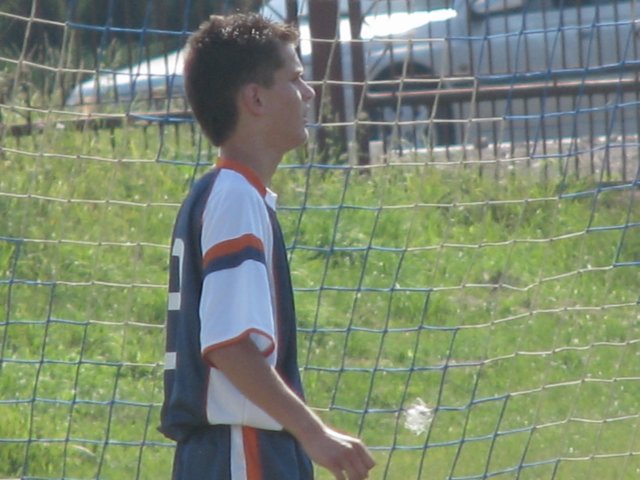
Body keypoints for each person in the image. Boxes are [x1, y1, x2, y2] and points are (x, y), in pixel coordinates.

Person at [159, 13, 376, 480]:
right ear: (255, 98)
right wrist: (314, 433)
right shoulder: (235, 198)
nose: (308, 92)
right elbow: (229, 346)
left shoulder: (229, 193)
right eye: (294, 79)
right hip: (243, 451)